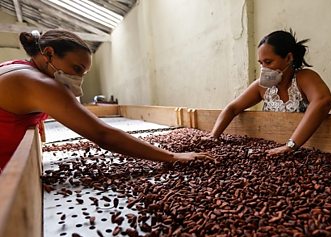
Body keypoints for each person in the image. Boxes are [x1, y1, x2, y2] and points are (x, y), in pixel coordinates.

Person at [0, 30, 212, 171]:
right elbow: (103, 134)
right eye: (76, 69)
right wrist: (172, 156)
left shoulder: (16, 66)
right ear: (48, 53)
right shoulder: (41, 84)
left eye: (82, 73)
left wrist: (36, 120)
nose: (78, 77)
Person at [207, 29, 331, 155]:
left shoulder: (304, 77)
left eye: (268, 62)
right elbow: (232, 108)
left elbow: (323, 101)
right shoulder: (262, 87)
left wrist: (290, 146)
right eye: (261, 63)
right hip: (271, 148)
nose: (264, 68)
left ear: (288, 58)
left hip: (309, 149)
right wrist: (213, 136)